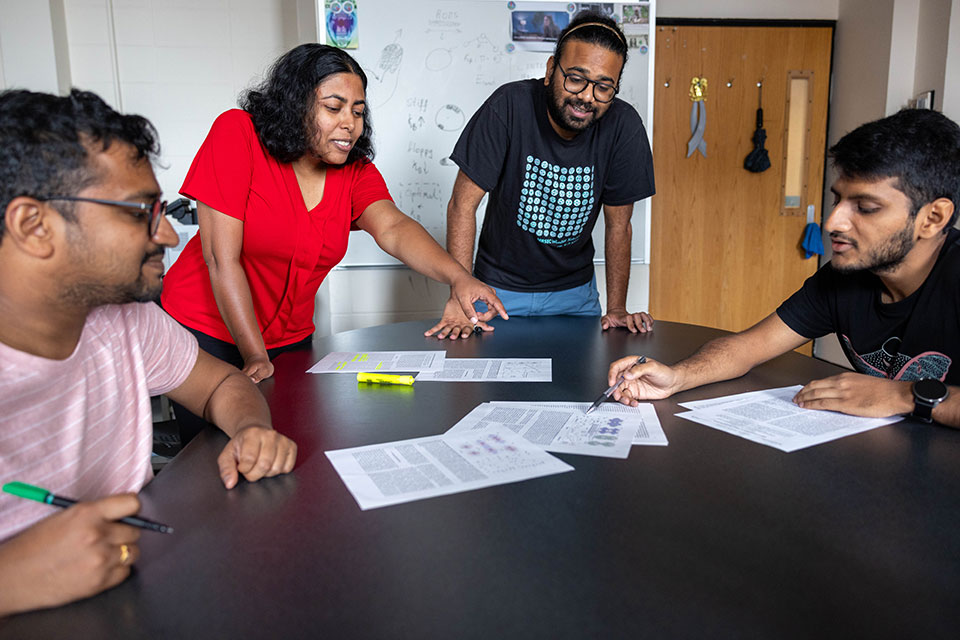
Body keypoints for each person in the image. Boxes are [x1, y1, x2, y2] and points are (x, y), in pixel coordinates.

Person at [0, 89, 298, 616]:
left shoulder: (125, 318)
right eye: (140, 211)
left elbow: (222, 384)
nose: (167, 233)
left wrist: (250, 428)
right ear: (34, 226)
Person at [160, 44, 506, 441]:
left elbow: (393, 228)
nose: (350, 124)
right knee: (215, 461)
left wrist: (458, 277)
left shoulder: (353, 169)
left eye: (358, 112)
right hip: (206, 336)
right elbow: (222, 260)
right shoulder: (237, 133)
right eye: (334, 107)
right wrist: (255, 353)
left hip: (290, 343)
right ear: (296, 105)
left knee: (293, 452)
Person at [608, 109, 960, 428]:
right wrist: (677, 377)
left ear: (933, 218)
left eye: (865, 207)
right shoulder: (844, 278)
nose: (834, 221)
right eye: (838, 200)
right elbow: (746, 348)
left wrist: (904, 395)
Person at [426, 11, 655, 340]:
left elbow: (620, 226)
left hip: (575, 296)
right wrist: (459, 297)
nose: (587, 96)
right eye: (576, 78)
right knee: (482, 385)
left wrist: (617, 308)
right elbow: (462, 205)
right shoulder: (508, 106)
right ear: (551, 70)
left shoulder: (624, 126)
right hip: (494, 291)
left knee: (580, 388)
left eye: (604, 87)